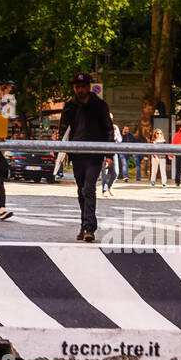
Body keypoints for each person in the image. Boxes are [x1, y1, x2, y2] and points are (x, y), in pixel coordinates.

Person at [56, 72, 115, 242]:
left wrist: (109, 154)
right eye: (77, 87)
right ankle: (84, 225)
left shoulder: (100, 105)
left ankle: (89, 227)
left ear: (89, 86)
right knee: (81, 191)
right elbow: (63, 130)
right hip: (77, 154)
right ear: (74, 88)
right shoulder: (70, 106)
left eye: (83, 86)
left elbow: (108, 130)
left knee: (89, 189)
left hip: (94, 154)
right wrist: (62, 151)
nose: (80, 89)